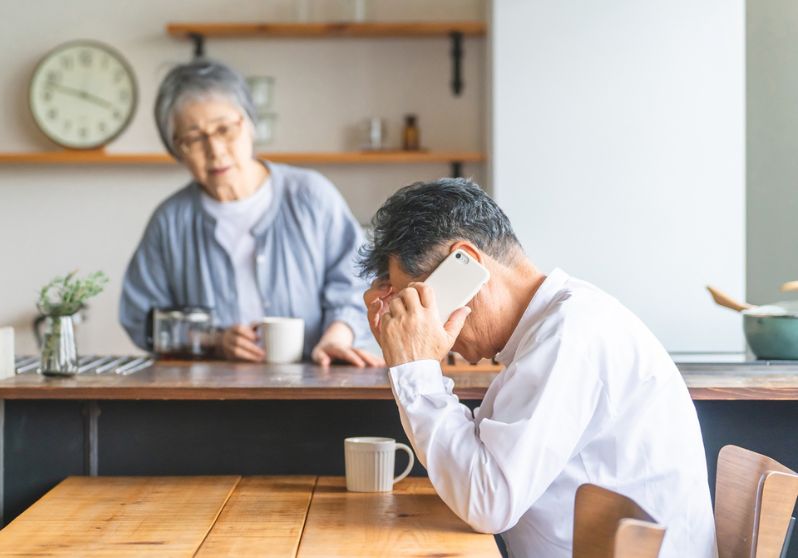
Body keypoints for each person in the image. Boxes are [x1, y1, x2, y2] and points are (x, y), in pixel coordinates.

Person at [359, 178, 717, 557]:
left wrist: (415, 368)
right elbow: (481, 475)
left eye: (418, 302)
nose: (422, 322)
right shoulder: (556, 328)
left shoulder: (570, 336)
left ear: (466, 264)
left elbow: (488, 502)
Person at [120, 59, 380, 367]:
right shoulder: (170, 221)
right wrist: (212, 341)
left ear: (250, 123)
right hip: (215, 399)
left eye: (224, 129)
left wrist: (338, 337)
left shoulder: (310, 194)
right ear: (176, 149)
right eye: (193, 138)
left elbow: (359, 280)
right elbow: (141, 317)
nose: (215, 150)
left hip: (316, 387)